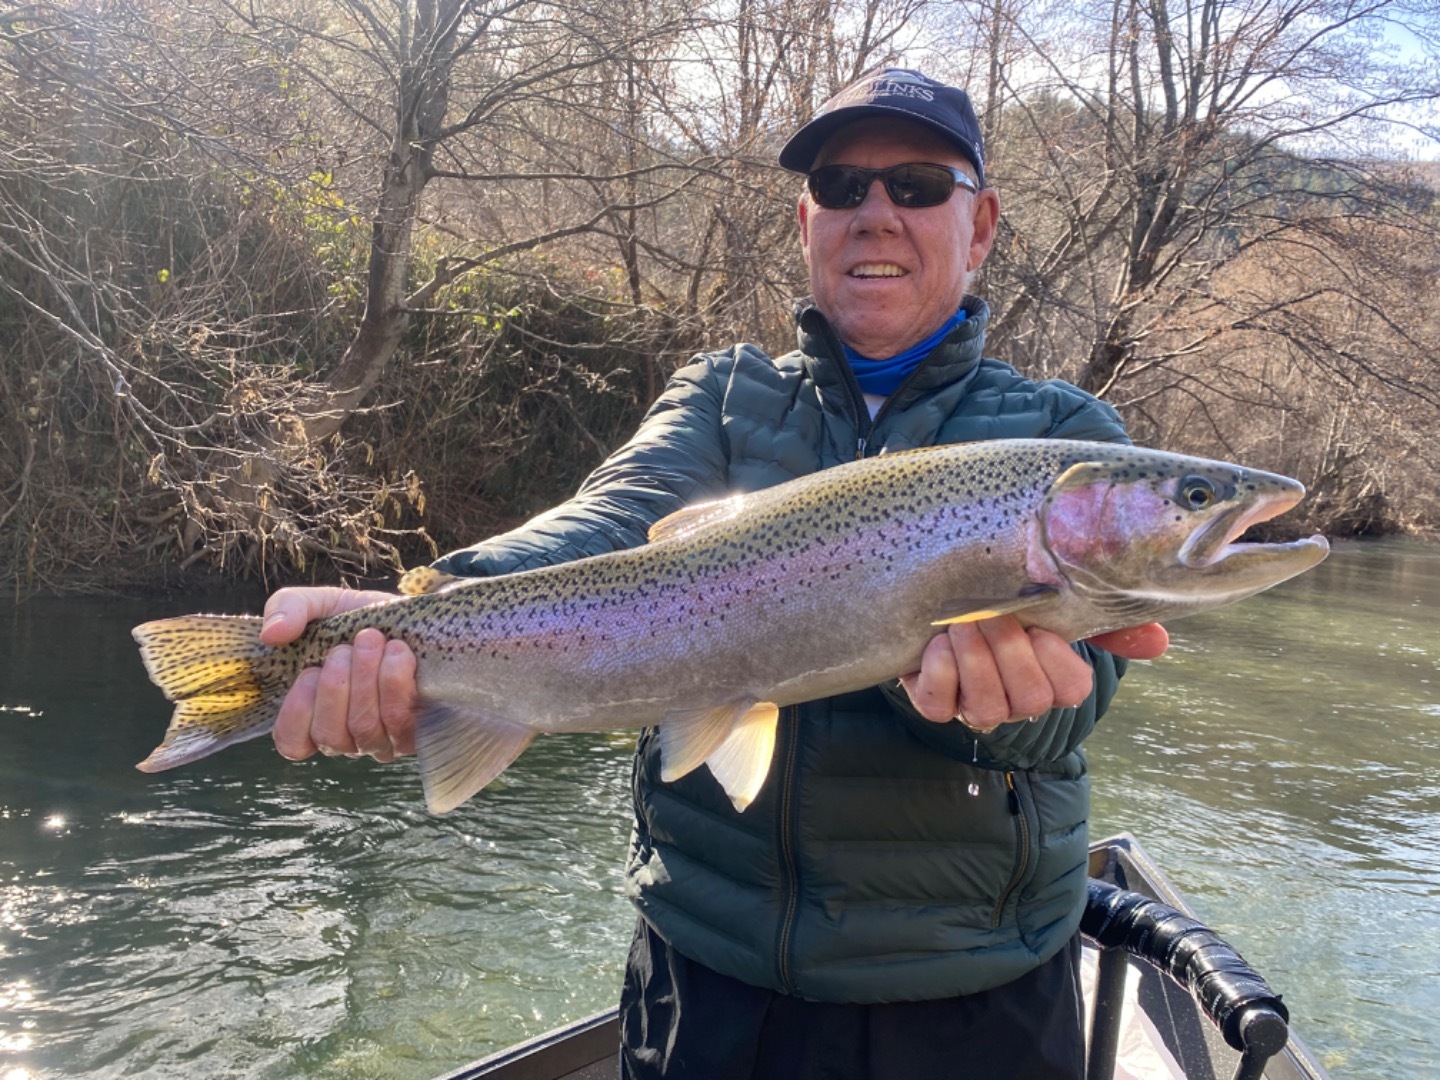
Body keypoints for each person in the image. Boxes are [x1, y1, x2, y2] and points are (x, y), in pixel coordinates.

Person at [261, 68, 1168, 1079]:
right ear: (806, 220)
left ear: (983, 225)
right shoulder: (723, 397)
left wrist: (1000, 706)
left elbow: (1071, 719)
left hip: (969, 1000)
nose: (875, 214)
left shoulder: (1060, 440)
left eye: (916, 184)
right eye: (840, 187)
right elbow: (601, 527)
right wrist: (418, 611)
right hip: (708, 985)